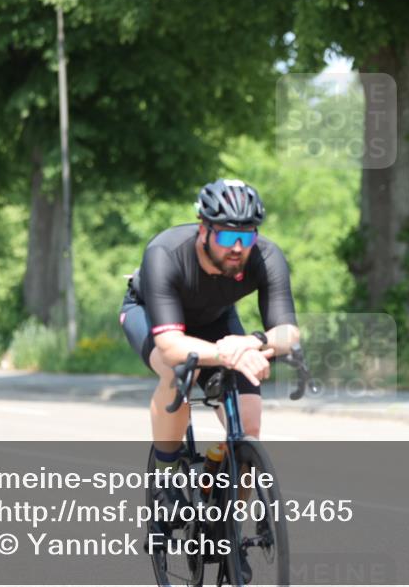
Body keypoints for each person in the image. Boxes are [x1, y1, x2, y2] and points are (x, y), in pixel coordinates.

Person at [119, 179, 300, 479]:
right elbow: (171, 345)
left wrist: (252, 343)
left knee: (248, 432)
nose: (238, 248)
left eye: (247, 236)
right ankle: (165, 475)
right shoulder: (165, 252)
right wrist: (226, 352)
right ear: (203, 229)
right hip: (151, 316)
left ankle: (228, 519)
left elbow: (288, 332)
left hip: (216, 321)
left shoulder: (266, 256)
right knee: (178, 371)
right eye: (228, 236)